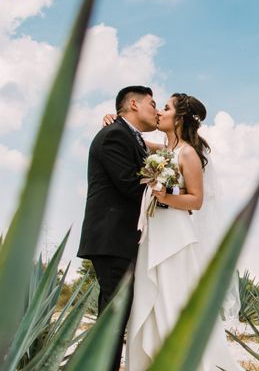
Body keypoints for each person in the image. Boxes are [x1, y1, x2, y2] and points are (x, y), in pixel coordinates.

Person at [124, 93, 242, 371]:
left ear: (179, 119)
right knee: (151, 300)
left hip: (175, 238)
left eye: (165, 108)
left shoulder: (187, 152)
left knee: (173, 300)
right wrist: (113, 120)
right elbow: (135, 139)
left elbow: (196, 199)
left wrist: (165, 195)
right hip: (154, 235)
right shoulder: (165, 151)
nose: (160, 112)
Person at [78, 85, 158, 371]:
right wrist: (170, 193)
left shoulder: (128, 135)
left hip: (123, 240)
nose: (157, 110)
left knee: (115, 314)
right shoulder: (115, 135)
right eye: (152, 103)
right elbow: (128, 184)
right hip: (114, 239)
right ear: (134, 105)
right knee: (114, 315)